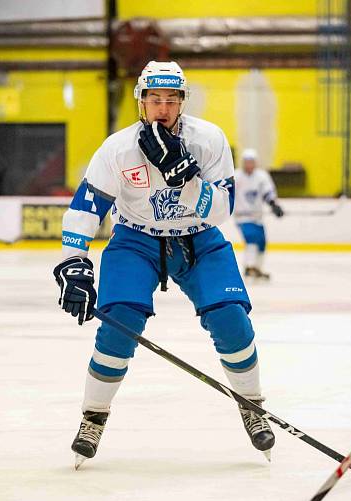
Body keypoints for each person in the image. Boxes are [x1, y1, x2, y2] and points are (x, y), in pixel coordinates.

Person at [53, 60, 275, 469]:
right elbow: (87, 207)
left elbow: (222, 211)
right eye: (154, 98)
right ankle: (93, 417)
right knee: (119, 320)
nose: (162, 107)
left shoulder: (208, 140)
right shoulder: (118, 149)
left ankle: (252, 403)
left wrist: (185, 180)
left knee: (231, 319)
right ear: (141, 101)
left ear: (182, 102)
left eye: (171, 99)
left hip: (198, 237)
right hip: (135, 238)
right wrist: (73, 261)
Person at [232, 148, 284, 280]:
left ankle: (258, 268)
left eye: (251, 162)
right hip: (242, 217)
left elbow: (268, 192)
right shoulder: (236, 176)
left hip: (257, 217)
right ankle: (250, 267)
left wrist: (274, 204)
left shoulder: (262, 176)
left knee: (262, 242)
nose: (249, 164)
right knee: (251, 237)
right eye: (246, 162)